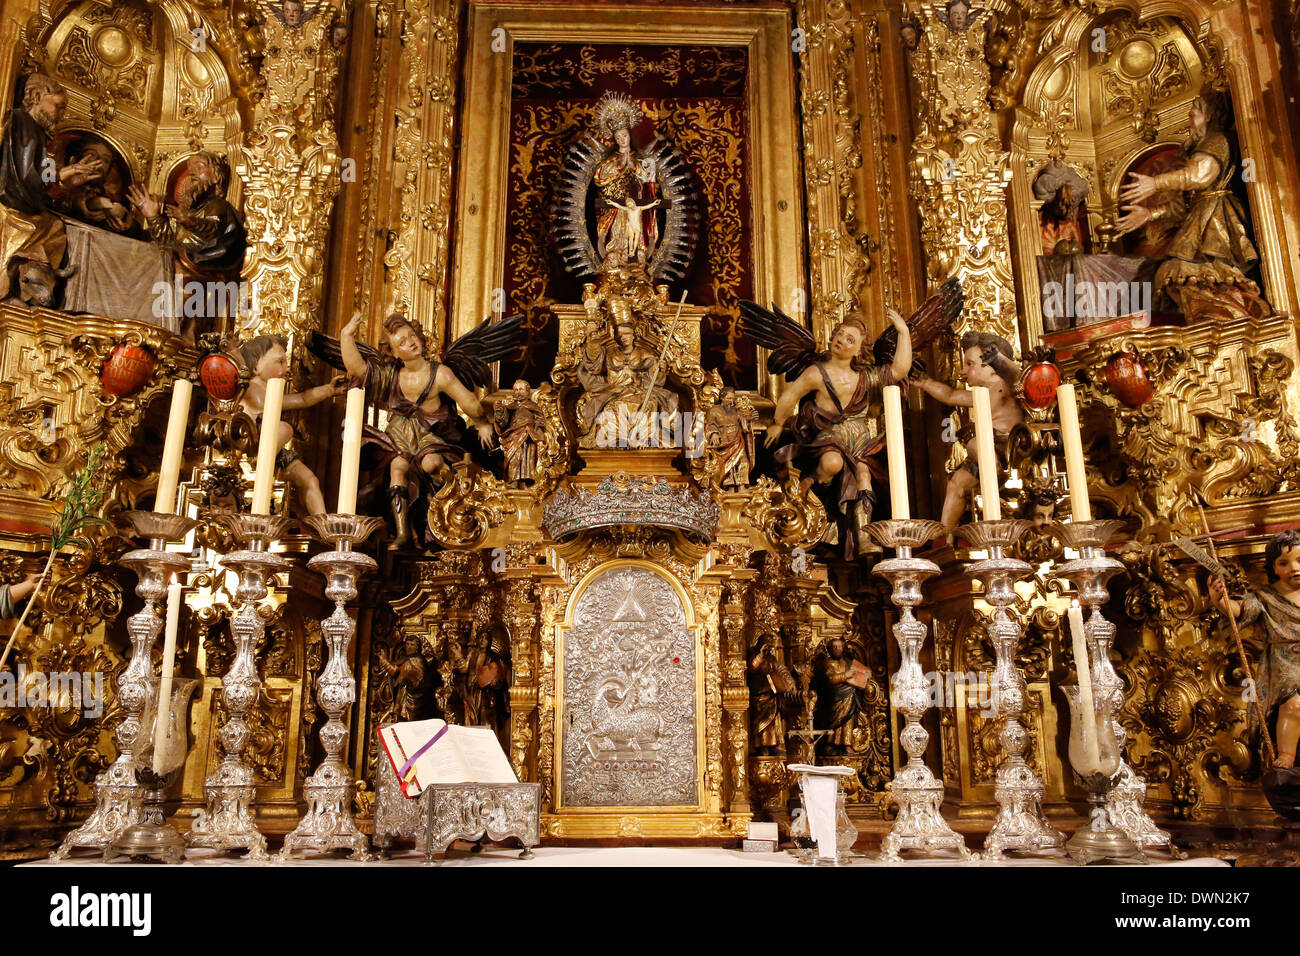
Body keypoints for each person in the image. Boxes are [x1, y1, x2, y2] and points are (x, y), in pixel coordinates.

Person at [337, 310, 496, 549]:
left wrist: (483, 423)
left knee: (431, 463)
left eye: (412, 336)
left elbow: (468, 401)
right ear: (392, 353)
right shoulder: (392, 376)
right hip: (399, 436)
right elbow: (359, 370)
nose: (410, 342)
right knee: (397, 469)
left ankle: (453, 510)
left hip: (429, 436)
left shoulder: (439, 373)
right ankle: (403, 533)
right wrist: (346, 335)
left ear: (419, 336)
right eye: (402, 342)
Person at [765, 311, 912, 554]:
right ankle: (813, 482)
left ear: (857, 351)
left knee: (864, 476)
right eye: (839, 334)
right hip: (830, 436)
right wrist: (778, 423)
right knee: (832, 462)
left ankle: (863, 535)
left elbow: (899, 370)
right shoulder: (817, 373)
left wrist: (904, 332)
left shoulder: (865, 377)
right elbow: (791, 395)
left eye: (850, 339)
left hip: (861, 440)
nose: (841, 340)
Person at [1115, 92, 1269, 322]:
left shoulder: (1216, 140)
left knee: (1201, 275)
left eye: (1193, 115)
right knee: (1186, 279)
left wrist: (1156, 183)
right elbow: (1185, 204)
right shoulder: (1207, 146)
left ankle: (1233, 319)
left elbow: (1199, 175)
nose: (1188, 123)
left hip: (1218, 222)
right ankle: (1219, 320)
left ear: (1210, 115)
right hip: (1202, 219)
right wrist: (1150, 213)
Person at [912, 330, 1022, 532]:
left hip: (1011, 447)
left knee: (973, 441)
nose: (963, 372)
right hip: (986, 451)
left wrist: (1000, 361)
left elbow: (1019, 376)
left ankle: (997, 478)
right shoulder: (981, 394)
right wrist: (923, 382)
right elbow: (950, 395)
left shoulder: (1007, 386)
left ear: (992, 367)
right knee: (956, 483)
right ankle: (947, 535)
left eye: (970, 365)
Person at [1209, 531, 1300, 768]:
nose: (1294, 568)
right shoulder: (1267, 597)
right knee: (1294, 706)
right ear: (1273, 568)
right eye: (1284, 563)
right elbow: (1242, 609)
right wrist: (1221, 600)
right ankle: (1287, 757)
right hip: (1285, 664)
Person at [0, 75, 99, 288]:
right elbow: (26, 175)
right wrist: (62, 174)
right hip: (13, 205)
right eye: (59, 107)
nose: (61, 115)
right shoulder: (24, 124)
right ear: (37, 97)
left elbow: (41, 178)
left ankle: (32, 280)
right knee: (53, 228)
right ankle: (23, 280)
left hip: (23, 202)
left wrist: (66, 177)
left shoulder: (38, 133)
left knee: (55, 226)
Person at [238, 335, 345, 515]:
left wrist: (329, 390)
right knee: (284, 429)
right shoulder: (249, 388)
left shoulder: (273, 392)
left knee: (310, 480)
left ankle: (322, 526)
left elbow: (302, 398)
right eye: (280, 362)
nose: (286, 369)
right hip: (249, 444)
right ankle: (259, 460)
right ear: (256, 366)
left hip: (275, 452)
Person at [495, 379, 543, 487]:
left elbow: (541, 420)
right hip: (513, 437)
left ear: (528, 391)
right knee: (513, 459)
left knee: (526, 460)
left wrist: (535, 426)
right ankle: (512, 481)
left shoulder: (533, 406)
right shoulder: (510, 407)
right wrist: (499, 411)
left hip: (528, 436)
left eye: (521, 389)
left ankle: (524, 483)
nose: (518, 392)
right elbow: (503, 422)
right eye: (516, 390)